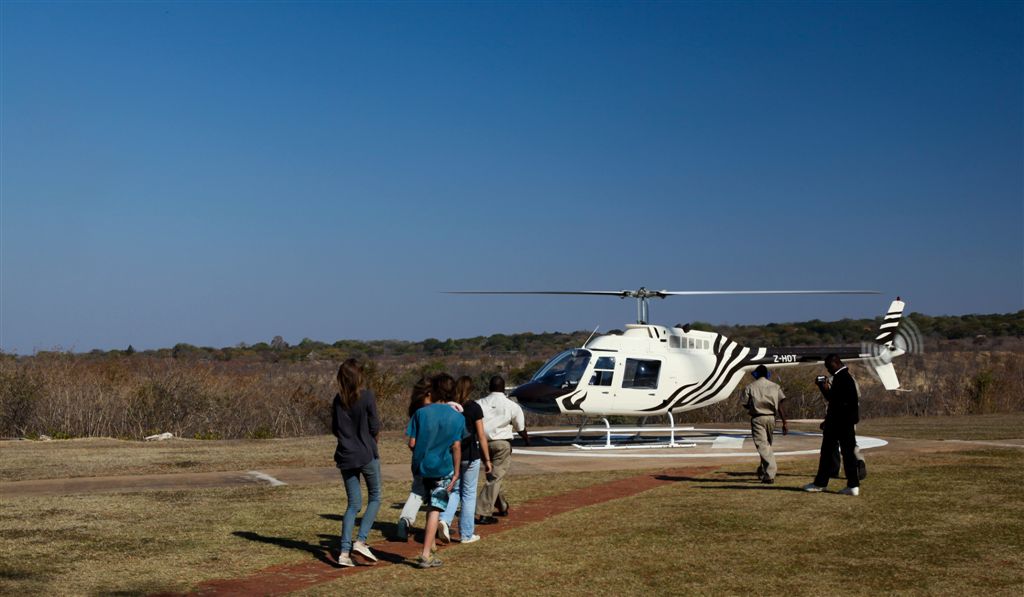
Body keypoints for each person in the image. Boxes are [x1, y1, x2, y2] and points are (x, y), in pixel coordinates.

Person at [406, 374, 465, 568]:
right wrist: (456, 472)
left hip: (422, 468)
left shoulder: (421, 413)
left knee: (429, 505)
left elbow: (412, 442)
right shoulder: (457, 417)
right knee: (435, 510)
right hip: (444, 468)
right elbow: (457, 446)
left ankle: (430, 546)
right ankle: (425, 554)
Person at [330, 358, 382, 567]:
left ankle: (344, 552)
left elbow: (335, 428)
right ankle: (361, 540)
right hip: (366, 454)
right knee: (376, 496)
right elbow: (375, 425)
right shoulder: (367, 396)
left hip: (345, 455)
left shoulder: (337, 400)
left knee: (353, 505)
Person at [437, 376, 493, 544]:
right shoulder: (474, 408)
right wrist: (487, 460)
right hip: (470, 455)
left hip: (451, 455)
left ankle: (444, 520)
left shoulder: (449, 408)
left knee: (454, 490)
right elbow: (481, 436)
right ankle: (466, 534)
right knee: (468, 494)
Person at [804, 355, 862, 496]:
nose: (828, 370)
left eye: (829, 367)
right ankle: (853, 485)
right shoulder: (847, 377)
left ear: (835, 364)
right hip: (847, 422)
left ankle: (820, 483)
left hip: (837, 422)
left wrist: (823, 388)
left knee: (827, 453)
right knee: (848, 454)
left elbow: (834, 401)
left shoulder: (840, 378)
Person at [475, 376, 529, 525]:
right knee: (495, 478)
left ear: (489, 387)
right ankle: (483, 512)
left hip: (483, 444)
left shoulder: (479, 403)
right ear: (504, 388)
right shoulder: (512, 405)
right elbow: (521, 427)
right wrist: (526, 439)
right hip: (502, 444)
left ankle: (502, 505)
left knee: (493, 476)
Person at [395, 377, 432, 541]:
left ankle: (405, 519)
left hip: (419, 460)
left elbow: (412, 442)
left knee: (417, 490)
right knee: (438, 493)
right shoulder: (438, 411)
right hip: (438, 458)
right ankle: (437, 525)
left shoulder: (416, 413)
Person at [741, 364, 787, 484]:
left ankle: (770, 473)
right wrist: (784, 422)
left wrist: (753, 405)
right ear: (767, 374)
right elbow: (780, 405)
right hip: (771, 418)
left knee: (762, 445)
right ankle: (763, 470)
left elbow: (745, 404)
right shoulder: (775, 386)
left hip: (757, 417)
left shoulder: (750, 387)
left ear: (756, 374)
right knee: (767, 446)